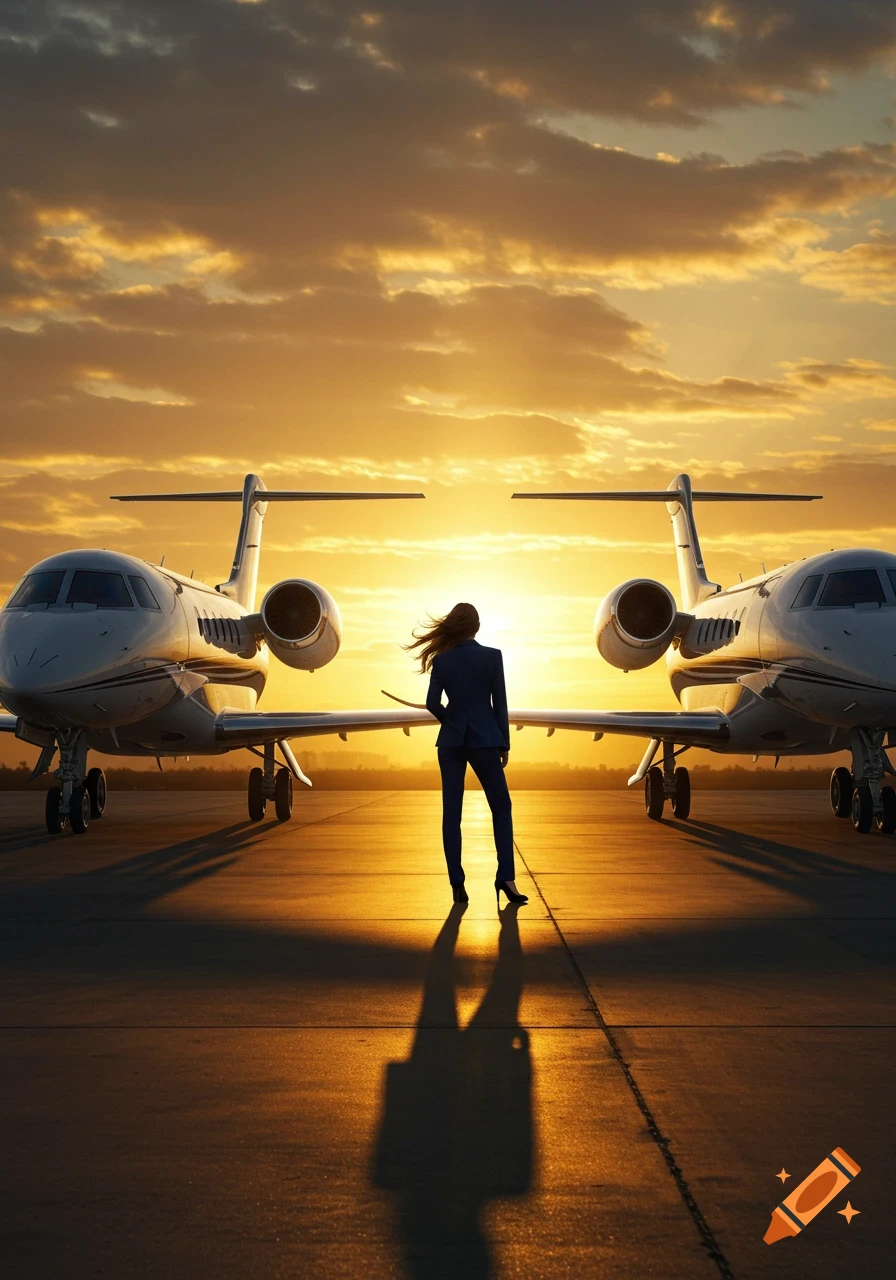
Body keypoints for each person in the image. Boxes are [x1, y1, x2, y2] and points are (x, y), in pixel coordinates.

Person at [405, 602, 527, 906]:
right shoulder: (492, 657)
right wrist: (504, 743)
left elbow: (433, 703)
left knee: (452, 814)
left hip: (451, 742)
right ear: (476, 627)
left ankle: (457, 884)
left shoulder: (442, 661)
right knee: (501, 806)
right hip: (486, 740)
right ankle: (506, 879)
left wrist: (454, 721)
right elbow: (500, 703)